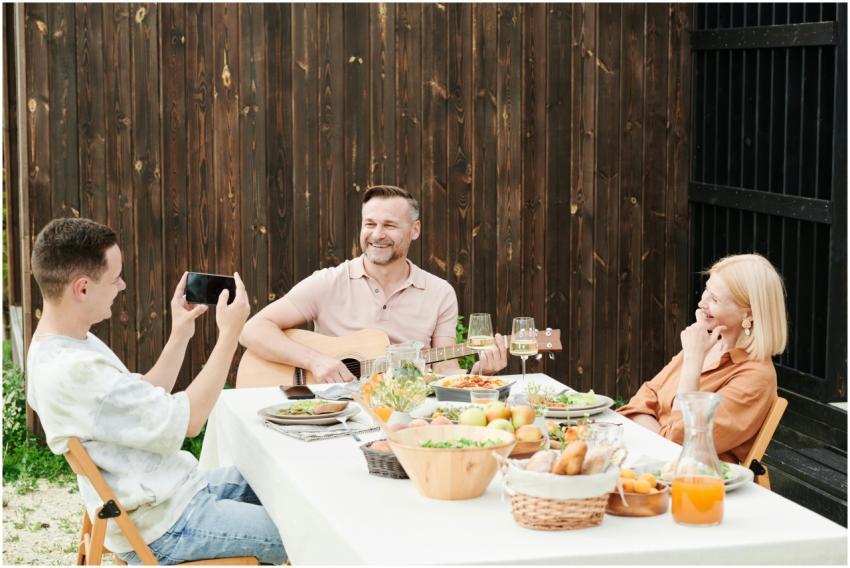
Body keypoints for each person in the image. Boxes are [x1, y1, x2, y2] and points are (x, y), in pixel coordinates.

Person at [26, 218, 286, 565]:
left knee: (290, 487)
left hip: (176, 494)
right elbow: (191, 421)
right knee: (302, 533)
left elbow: (142, 394)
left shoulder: (69, 344)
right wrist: (229, 336)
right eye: (115, 277)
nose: (122, 285)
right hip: (168, 526)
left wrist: (180, 333)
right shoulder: (73, 370)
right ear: (83, 288)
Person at [240, 185, 508, 383]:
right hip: (332, 411)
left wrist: (479, 374)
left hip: (405, 412)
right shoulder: (328, 282)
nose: (377, 235)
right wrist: (315, 361)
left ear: (415, 230)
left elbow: (444, 369)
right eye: (370, 223)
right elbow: (252, 331)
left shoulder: (439, 292)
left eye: (390, 225)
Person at [618, 253, 788, 464]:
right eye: (706, 290)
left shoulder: (756, 378)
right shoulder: (709, 344)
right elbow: (640, 401)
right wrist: (662, 433)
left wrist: (693, 361)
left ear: (748, 315)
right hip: (651, 463)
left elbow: (683, 444)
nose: (701, 302)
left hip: (703, 487)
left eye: (714, 299)